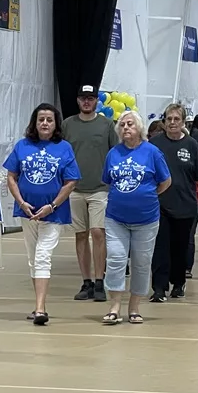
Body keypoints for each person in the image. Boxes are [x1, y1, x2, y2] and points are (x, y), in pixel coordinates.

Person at [3, 103, 80, 326]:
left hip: (53, 214)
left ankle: (39, 309)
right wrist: (20, 201)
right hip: (28, 213)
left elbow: (71, 181)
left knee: (43, 256)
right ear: (34, 123)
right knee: (32, 259)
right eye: (40, 120)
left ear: (56, 124)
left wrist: (53, 206)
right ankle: (38, 304)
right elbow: (11, 176)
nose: (44, 123)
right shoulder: (22, 146)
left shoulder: (64, 148)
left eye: (49, 120)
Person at [100, 111, 171, 324]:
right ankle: (114, 306)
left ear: (139, 128)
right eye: (122, 125)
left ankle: (134, 307)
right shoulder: (113, 153)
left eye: (130, 124)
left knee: (141, 262)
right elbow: (107, 180)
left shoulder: (152, 152)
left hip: (146, 219)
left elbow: (165, 181)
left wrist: (148, 195)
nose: (126, 128)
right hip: (116, 218)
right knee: (115, 259)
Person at [149, 104, 198, 301]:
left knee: (180, 248)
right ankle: (159, 288)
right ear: (164, 121)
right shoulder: (155, 144)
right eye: (169, 119)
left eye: (176, 119)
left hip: (185, 206)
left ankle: (178, 283)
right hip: (160, 206)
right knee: (160, 248)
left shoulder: (191, 145)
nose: (172, 123)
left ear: (183, 122)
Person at [63, 85, 119, 303]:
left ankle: (99, 280)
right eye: (83, 98)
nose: (87, 102)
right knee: (80, 235)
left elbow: (115, 153)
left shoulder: (106, 124)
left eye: (91, 98)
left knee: (98, 233)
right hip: (74, 188)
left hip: (100, 189)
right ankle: (86, 281)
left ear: (97, 100)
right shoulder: (68, 124)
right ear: (78, 100)